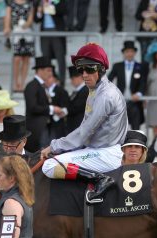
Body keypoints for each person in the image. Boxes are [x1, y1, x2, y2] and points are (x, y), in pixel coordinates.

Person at [40, 43, 128, 202]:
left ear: (101, 69)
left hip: (105, 154)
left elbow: (84, 133)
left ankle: (99, 179)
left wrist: (54, 146)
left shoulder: (106, 95)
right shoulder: (96, 90)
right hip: (99, 150)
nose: (85, 74)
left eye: (90, 69)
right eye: (81, 70)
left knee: (49, 166)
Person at [107, 41, 148, 131]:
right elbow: (108, 80)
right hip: (120, 102)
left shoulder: (140, 66)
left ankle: (136, 143)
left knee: (135, 127)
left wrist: (139, 94)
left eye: (131, 51)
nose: (129, 54)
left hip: (135, 101)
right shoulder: (117, 66)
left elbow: (143, 82)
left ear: (134, 53)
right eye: (127, 51)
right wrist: (113, 93)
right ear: (124, 53)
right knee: (119, 127)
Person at [24, 56, 59, 152]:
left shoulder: (41, 86)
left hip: (45, 128)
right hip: (37, 130)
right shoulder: (32, 86)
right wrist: (52, 109)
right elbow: (33, 107)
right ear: (40, 70)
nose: (50, 73)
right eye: (48, 70)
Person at [4, 1, 34, 93]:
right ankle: (16, 83)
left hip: (27, 33)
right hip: (16, 33)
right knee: (17, 58)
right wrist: (7, 27)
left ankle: (22, 83)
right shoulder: (11, 3)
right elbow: (7, 17)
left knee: (26, 58)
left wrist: (26, 25)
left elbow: (30, 18)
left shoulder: (30, 3)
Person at [35, 0, 67, 82]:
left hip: (57, 31)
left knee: (60, 57)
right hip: (44, 32)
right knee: (46, 58)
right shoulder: (40, 2)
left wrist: (48, 7)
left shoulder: (58, 1)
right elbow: (36, 19)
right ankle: (48, 80)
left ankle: (61, 81)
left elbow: (64, 10)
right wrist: (39, 11)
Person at [67, 66, 88, 133]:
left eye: (73, 78)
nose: (71, 81)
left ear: (80, 77)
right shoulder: (77, 91)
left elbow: (77, 106)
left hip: (80, 125)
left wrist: (64, 110)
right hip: (74, 125)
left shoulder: (85, 90)